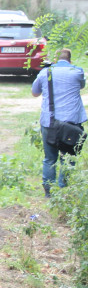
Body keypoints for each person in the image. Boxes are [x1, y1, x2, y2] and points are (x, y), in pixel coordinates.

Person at [31, 49, 87, 196]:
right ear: (70, 59)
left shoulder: (45, 73)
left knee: (50, 159)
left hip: (50, 123)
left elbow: (34, 92)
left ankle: (49, 192)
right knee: (68, 158)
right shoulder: (77, 72)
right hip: (71, 124)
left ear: (55, 60)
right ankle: (63, 190)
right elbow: (82, 86)